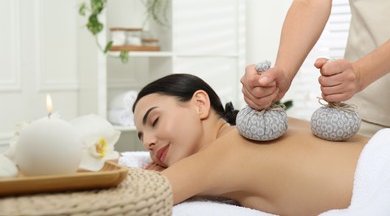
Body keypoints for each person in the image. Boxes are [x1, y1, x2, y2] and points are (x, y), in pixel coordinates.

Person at [132, 73, 375, 215]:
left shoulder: (228, 148)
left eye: (154, 120)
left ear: (200, 104)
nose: (149, 143)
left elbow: (138, 198)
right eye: (141, 137)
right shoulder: (266, 125)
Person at [241, 0, 390, 137]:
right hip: (366, 105)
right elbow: (311, 1)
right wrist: (282, 74)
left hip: (364, 80)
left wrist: (362, 73)